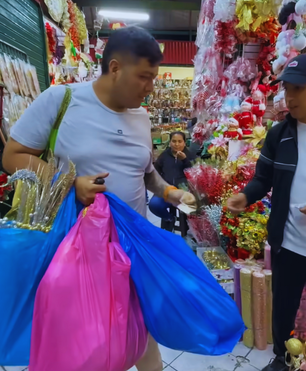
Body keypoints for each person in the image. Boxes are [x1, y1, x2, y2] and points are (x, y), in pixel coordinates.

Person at [3, 26, 195, 371]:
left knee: (140, 327)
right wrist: (69, 182)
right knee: (86, 338)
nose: (151, 87)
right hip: (79, 250)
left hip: (133, 246)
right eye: (144, 77)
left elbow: (145, 171)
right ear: (115, 67)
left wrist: (169, 191)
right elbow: (13, 154)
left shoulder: (141, 117)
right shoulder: (61, 100)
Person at [226, 54, 306, 371]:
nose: (289, 98)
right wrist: (244, 196)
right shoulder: (280, 135)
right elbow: (263, 179)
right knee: (283, 311)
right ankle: (284, 359)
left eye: (297, 89)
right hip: (288, 244)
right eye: (286, 90)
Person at [150, 131, 193, 230]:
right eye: (174, 141)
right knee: (154, 205)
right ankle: (169, 218)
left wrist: (185, 160)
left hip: (183, 192)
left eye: (179, 141)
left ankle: (186, 230)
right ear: (170, 142)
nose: (177, 144)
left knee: (191, 209)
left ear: (184, 142)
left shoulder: (190, 155)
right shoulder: (164, 156)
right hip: (167, 190)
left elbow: (194, 172)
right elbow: (155, 171)